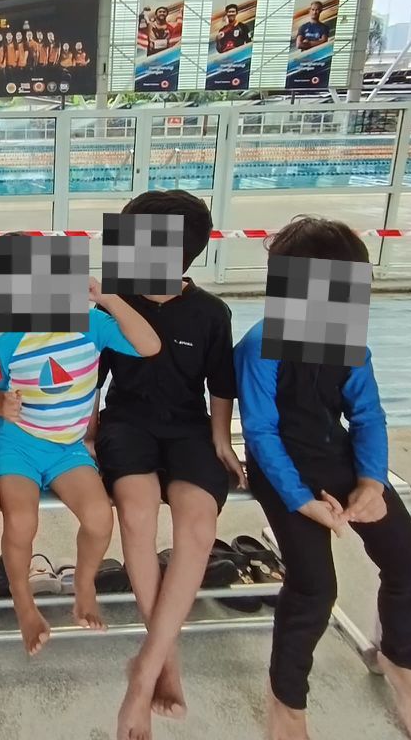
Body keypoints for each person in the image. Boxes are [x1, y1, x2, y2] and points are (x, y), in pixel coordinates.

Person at [234, 216, 411, 740]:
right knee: (314, 587)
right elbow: (260, 431)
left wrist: (370, 482)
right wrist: (301, 500)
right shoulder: (262, 344)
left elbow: (367, 416)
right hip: (280, 467)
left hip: (338, 458)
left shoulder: (348, 343)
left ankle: (401, 660)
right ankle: (286, 702)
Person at [88, 191, 244, 740]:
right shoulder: (113, 305)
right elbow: (90, 378)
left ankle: (144, 669)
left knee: (198, 525)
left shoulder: (211, 313)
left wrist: (221, 438)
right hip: (126, 425)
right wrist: (88, 436)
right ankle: (164, 657)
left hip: (188, 427)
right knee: (136, 513)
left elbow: (220, 385)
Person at [0, 234, 162, 657]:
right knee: (21, 521)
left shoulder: (91, 324)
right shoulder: (6, 342)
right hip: (19, 447)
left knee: (100, 518)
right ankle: (23, 602)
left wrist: (109, 299)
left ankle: (83, 585)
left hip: (68, 448)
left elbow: (149, 345)